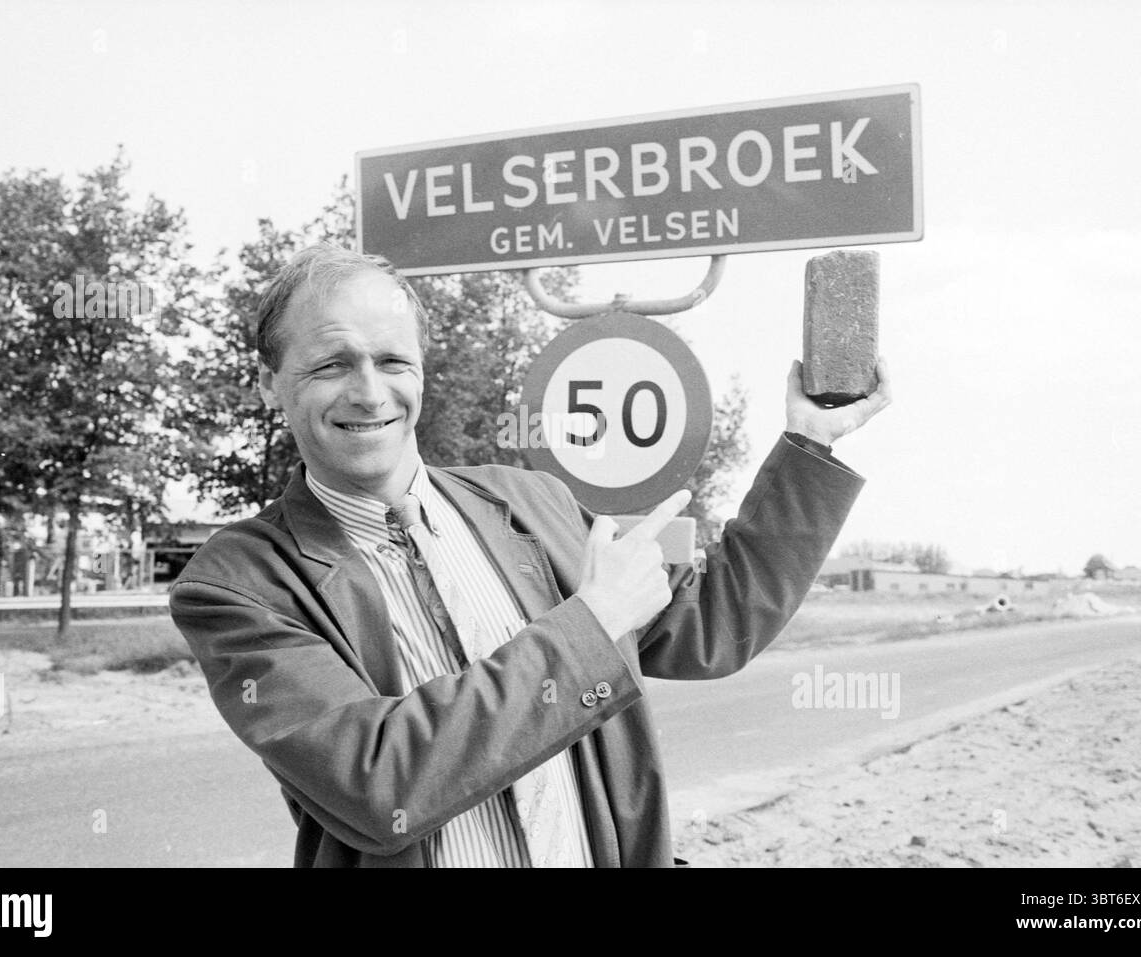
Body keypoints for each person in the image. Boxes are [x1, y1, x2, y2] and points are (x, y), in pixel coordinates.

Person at [169, 243, 892, 867]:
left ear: (422, 370)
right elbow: (376, 782)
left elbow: (714, 622)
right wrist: (593, 621)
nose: (369, 391)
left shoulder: (532, 501)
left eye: (392, 359)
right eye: (331, 364)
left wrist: (811, 445)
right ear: (270, 383)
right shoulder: (236, 583)